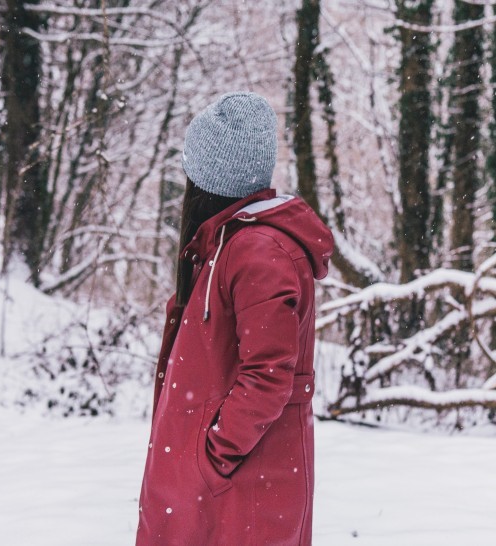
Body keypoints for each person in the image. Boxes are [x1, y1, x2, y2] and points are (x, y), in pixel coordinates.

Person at [136, 91, 334, 545]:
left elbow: (268, 375)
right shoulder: (229, 245)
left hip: (239, 487)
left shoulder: (258, 251)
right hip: (222, 486)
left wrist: (212, 456)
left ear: (207, 178)